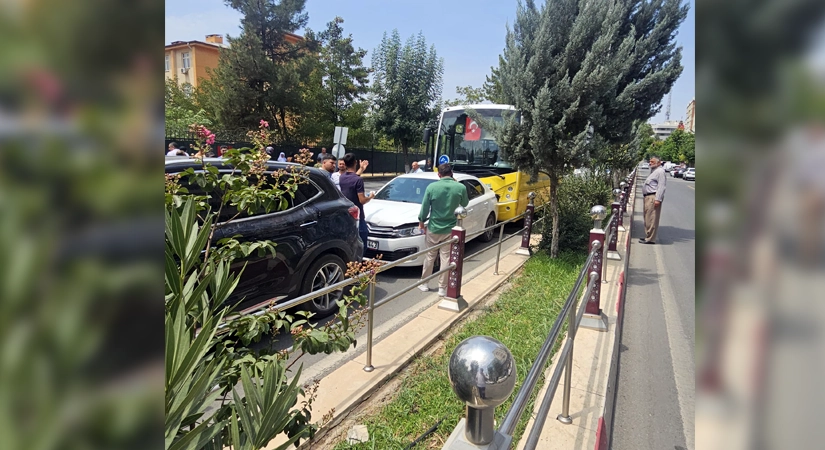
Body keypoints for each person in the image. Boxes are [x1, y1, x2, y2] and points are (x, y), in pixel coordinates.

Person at [417, 163, 469, 296]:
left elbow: (424, 208)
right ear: (451, 173)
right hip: (451, 228)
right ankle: (442, 288)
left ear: (439, 174)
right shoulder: (460, 187)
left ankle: (425, 283)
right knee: (446, 257)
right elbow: (465, 204)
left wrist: (421, 221)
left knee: (430, 256)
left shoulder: (432, 187)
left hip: (434, 227)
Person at [339, 153, 374, 257]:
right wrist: (370, 197)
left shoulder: (342, 177)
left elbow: (352, 178)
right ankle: (358, 266)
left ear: (344, 163)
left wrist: (361, 169)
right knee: (362, 243)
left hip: (347, 215)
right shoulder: (358, 180)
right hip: (358, 217)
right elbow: (362, 200)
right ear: (355, 162)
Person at [640, 155, 667, 244]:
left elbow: (661, 186)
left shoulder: (660, 172)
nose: (650, 163)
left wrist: (658, 199)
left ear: (659, 163)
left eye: (652, 162)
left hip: (653, 197)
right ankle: (648, 236)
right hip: (648, 197)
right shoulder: (653, 171)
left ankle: (651, 239)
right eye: (650, 161)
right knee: (647, 217)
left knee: (652, 218)